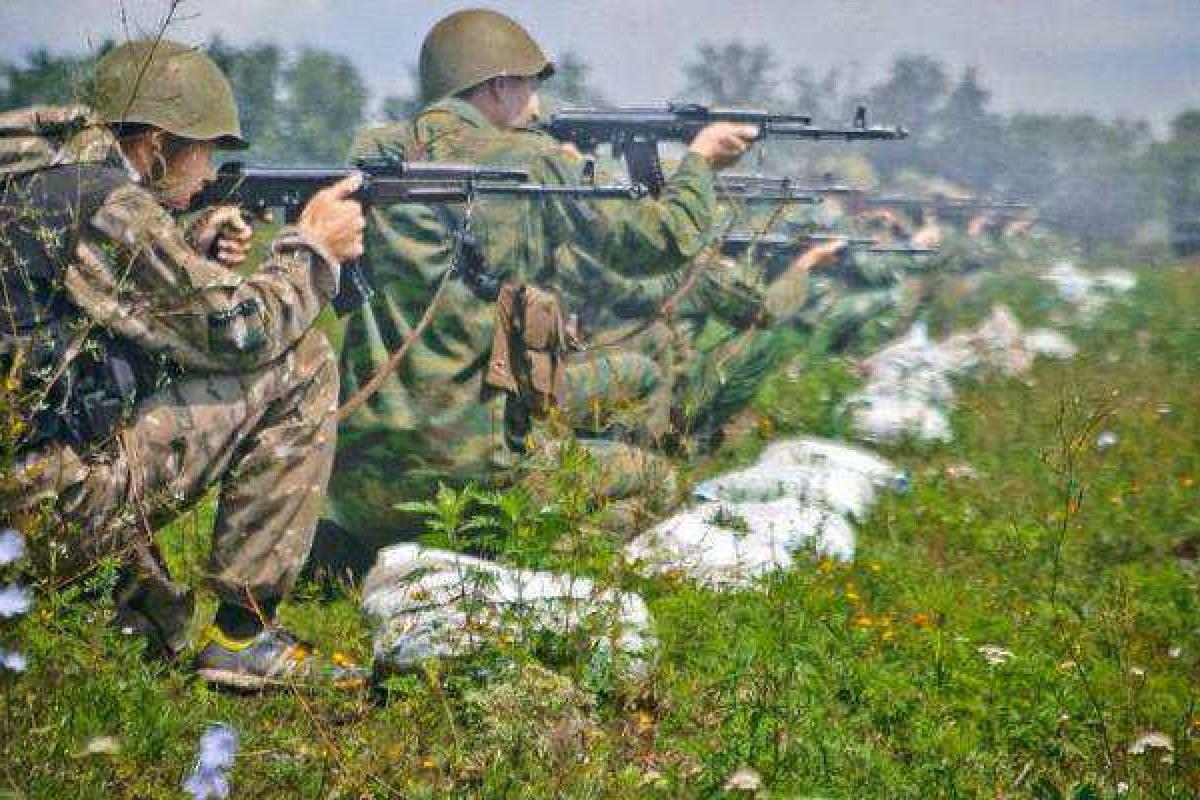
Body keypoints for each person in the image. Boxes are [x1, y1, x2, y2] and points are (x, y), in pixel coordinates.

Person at [1, 39, 366, 689]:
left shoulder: (34, 174)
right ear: (159, 145)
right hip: (40, 506)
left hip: (17, 479)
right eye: (207, 152)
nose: (208, 176)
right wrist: (312, 251)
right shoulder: (112, 204)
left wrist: (187, 241)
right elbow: (240, 334)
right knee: (302, 357)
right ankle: (244, 635)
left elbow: (78, 305)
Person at [326, 9, 757, 552]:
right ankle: (507, 564)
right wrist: (698, 164)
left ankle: (357, 556)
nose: (538, 105)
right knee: (655, 481)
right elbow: (659, 241)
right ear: (498, 84)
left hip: (355, 479)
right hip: (467, 481)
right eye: (530, 86)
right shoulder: (532, 162)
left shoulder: (374, 158)